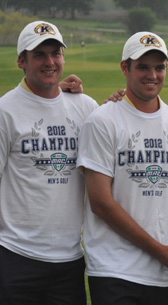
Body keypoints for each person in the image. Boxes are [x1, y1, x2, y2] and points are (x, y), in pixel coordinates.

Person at [77, 31, 168, 305]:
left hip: (165, 273)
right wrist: (159, 251)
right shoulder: (102, 121)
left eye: (159, 67)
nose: (152, 75)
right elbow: (101, 203)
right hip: (116, 270)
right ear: (125, 68)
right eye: (142, 67)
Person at [0, 20, 99, 305]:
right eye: (39, 54)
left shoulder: (85, 107)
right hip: (15, 255)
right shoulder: (6, 111)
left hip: (69, 259)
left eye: (56, 53)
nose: (50, 61)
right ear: (21, 60)